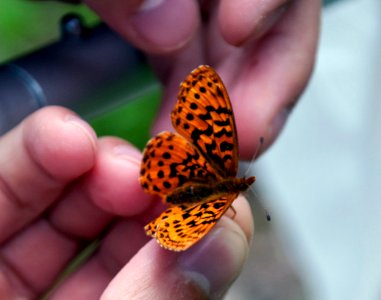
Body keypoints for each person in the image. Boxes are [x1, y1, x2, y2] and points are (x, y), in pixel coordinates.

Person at [0, 0, 320, 299]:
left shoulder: (224, 185)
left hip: (182, 169)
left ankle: (169, 214)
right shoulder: (227, 193)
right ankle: (170, 219)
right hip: (187, 186)